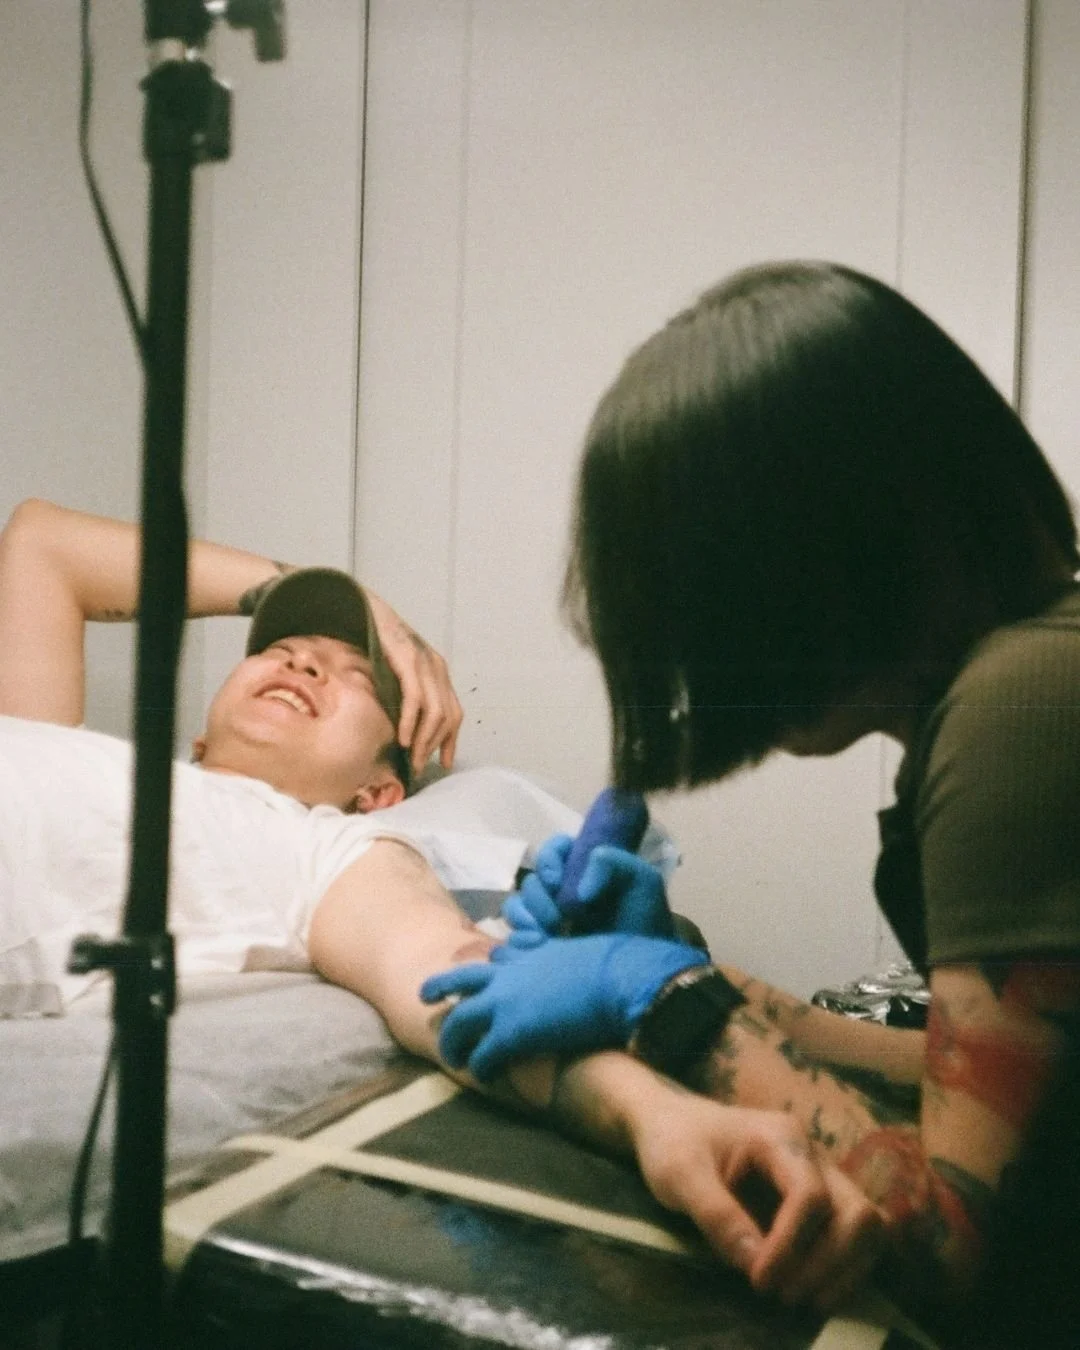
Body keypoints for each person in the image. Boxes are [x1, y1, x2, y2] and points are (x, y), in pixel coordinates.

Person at [0, 495, 882, 1312]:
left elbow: (454, 985)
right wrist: (333, 595)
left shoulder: (323, 850)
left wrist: (659, 1118)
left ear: (381, 790)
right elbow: (42, 543)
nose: (303, 658)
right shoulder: (61, 745)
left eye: (355, 676)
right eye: (281, 651)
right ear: (200, 733)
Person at [420, 261, 1080, 1343]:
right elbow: (1010, 1100)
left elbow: (954, 1245)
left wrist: (664, 1003)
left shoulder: (1022, 707)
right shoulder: (1029, 672)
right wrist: (700, 976)